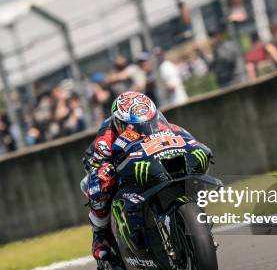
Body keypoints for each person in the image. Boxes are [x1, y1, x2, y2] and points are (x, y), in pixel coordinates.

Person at [80, 91, 199, 260]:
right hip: (102, 159)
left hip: (144, 159)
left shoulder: (158, 123)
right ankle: (100, 236)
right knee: (99, 187)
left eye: (147, 122)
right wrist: (105, 169)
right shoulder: (105, 139)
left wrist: (195, 147)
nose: (142, 128)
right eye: (133, 125)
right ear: (119, 122)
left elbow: (186, 138)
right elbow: (99, 163)